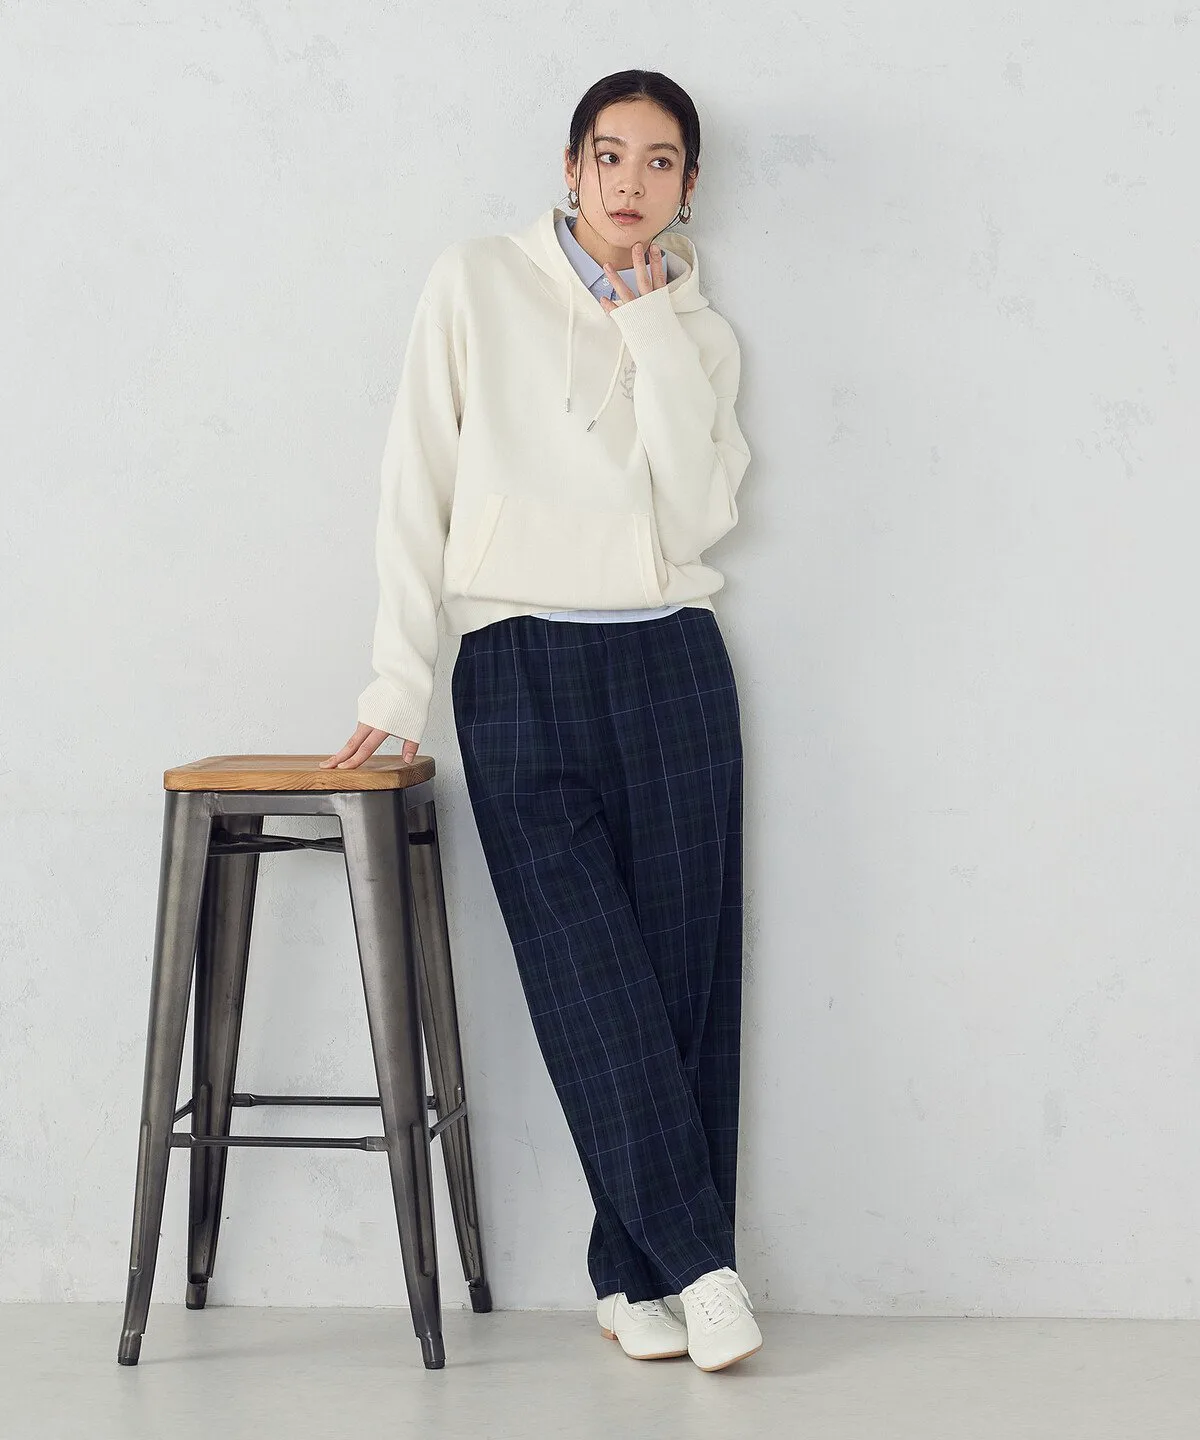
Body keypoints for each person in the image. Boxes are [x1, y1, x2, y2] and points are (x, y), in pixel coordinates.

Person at [322, 69, 760, 1372]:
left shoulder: (700, 331)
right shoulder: (475, 283)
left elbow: (700, 516)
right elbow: (416, 482)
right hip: (515, 666)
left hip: (671, 661)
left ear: (689, 186)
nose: (631, 182)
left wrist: (651, 325)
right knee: (587, 976)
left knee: (682, 985)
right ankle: (703, 1263)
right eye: (609, 155)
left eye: (661, 161)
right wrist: (396, 685)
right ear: (571, 168)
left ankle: (633, 1278)